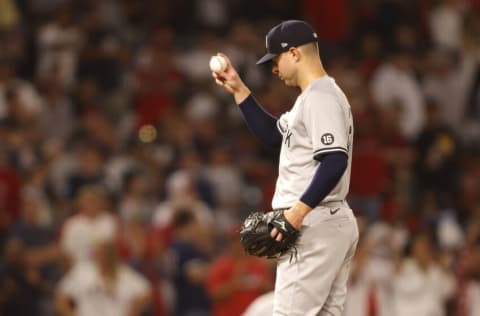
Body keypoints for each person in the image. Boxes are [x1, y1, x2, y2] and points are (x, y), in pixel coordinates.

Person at [212, 20, 359, 315]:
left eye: (276, 60)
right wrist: (240, 91)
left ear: (294, 53)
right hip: (328, 221)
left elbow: (335, 160)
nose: (274, 69)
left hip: (313, 223)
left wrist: (296, 214)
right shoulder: (312, 98)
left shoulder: (320, 97)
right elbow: (272, 135)